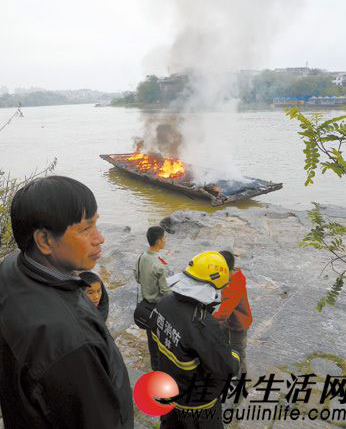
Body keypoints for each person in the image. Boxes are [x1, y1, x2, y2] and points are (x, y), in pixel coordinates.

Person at [0, 176, 134, 429]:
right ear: (45, 241)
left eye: (97, 224)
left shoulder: (11, 267)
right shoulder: (71, 341)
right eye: (85, 229)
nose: (100, 238)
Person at [149, 251, 240, 429]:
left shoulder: (164, 304)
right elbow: (228, 367)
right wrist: (234, 354)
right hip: (199, 408)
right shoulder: (202, 324)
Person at [134, 225, 171, 370]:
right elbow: (166, 291)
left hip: (145, 304)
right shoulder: (160, 264)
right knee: (163, 340)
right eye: (165, 238)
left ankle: (155, 367)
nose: (166, 240)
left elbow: (137, 277)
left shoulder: (142, 257)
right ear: (159, 241)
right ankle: (162, 369)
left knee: (152, 338)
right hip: (159, 306)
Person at [213, 250, 253, 381]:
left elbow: (223, 314)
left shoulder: (234, 285)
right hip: (230, 320)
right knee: (222, 342)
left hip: (238, 324)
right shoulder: (232, 275)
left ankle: (241, 379)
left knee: (238, 352)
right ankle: (227, 367)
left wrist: (208, 319)